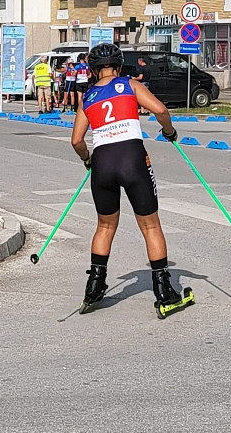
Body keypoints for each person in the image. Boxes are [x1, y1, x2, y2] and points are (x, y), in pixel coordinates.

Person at [70, 43, 192, 318]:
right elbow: (160, 110)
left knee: (104, 225)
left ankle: (94, 286)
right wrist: (169, 131)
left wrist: (88, 160)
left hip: (102, 161)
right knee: (150, 226)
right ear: (119, 64)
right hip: (132, 158)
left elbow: (76, 140)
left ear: (92, 69)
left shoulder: (87, 96)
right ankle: (163, 292)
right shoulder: (129, 86)